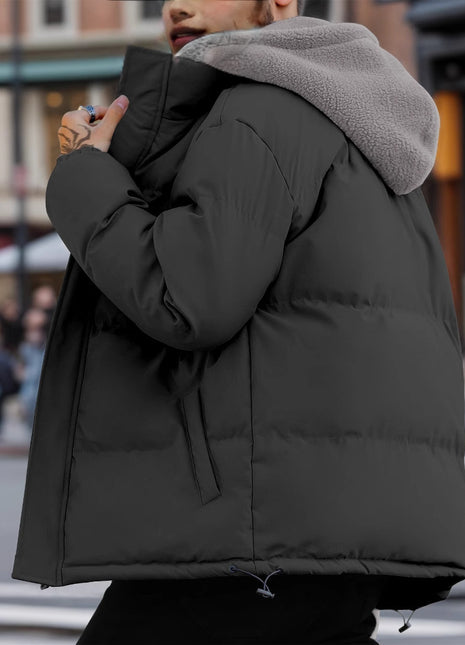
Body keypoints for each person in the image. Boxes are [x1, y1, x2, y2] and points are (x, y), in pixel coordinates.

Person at [12, 0, 465, 644]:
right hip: (326, 518)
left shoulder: (258, 109)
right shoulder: (355, 122)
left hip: (254, 524)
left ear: (278, 2)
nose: (176, 4)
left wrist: (87, 179)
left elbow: (187, 297)